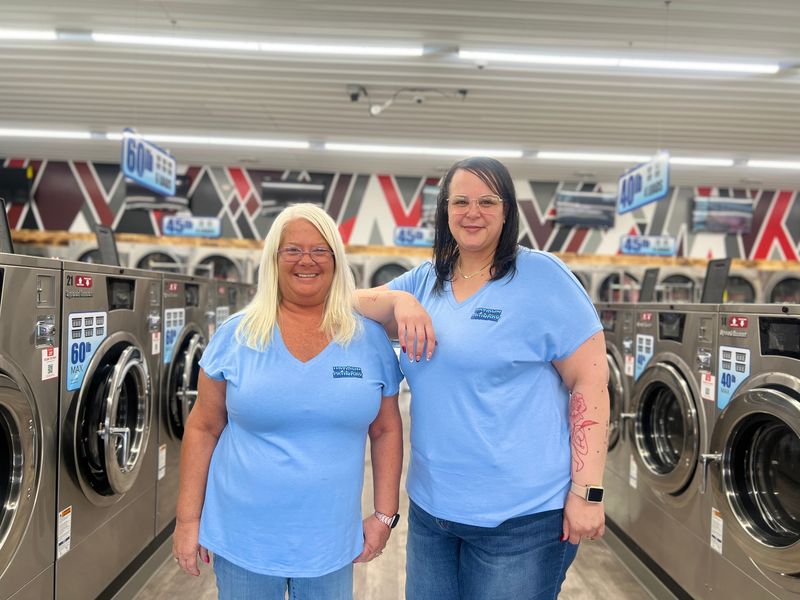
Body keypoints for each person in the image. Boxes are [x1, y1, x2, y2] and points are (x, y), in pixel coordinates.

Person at [356, 157, 610, 599]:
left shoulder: (543, 278)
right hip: (434, 512)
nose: (472, 212)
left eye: (487, 201)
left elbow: (590, 383)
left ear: (507, 210)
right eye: (461, 201)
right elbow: (348, 302)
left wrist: (588, 493)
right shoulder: (426, 280)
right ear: (445, 210)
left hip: (522, 521)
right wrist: (399, 301)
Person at [173, 203, 404, 600]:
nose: (306, 261)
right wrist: (187, 520)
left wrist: (384, 515)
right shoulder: (237, 335)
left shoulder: (368, 340)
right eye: (292, 250)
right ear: (273, 260)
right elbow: (204, 426)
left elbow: (385, 429)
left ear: (335, 258)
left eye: (319, 250)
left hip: (330, 542)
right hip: (242, 537)